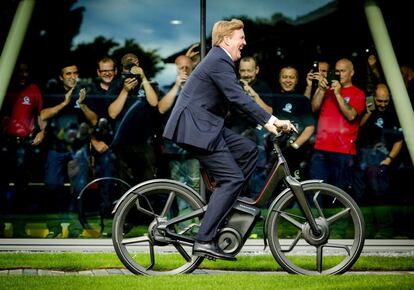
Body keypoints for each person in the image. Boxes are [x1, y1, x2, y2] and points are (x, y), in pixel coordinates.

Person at [163, 19, 296, 261]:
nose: (244, 42)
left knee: (248, 149)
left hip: (206, 126)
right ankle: (204, 240)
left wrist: (265, 122)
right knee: (232, 179)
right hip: (197, 129)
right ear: (226, 40)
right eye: (241, 37)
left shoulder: (220, 61)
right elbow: (237, 97)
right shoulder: (218, 60)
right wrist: (272, 121)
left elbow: (237, 102)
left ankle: (224, 204)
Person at [41, 62, 96, 213]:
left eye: (75, 73)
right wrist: (64, 103)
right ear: (61, 77)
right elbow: (43, 115)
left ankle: (76, 220)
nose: (72, 77)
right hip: (56, 148)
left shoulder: (85, 93)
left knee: (79, 187)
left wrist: (82, 104)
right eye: (68, 74)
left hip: (78, 149)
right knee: (52, 185)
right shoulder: (53, 93)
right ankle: (57, 219)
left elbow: (94, 120)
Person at [309, 58, 366, 195]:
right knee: (315, 192)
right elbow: (314, 108)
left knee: (340, 194)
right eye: (337, 71)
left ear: (351, 73)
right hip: (321, 148)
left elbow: (351, 116)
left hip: (343, 151)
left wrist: (338, 94)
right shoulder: (326, 90)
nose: (339, 74)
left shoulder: (358, 93)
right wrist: (322, 90)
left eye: (343, 71)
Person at [0, 62, 45, 213]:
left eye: (26, 71)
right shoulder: (4, 87)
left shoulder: (33, 89)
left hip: (22, 143)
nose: (23, 75)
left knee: (21, 181)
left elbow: (41, 114)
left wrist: (42, 132)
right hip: (4, 142)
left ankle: (19, 213)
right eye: (19, 71)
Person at [108, 53, 159, 186]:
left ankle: (145, 206)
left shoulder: (146, 81)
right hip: (122, 143)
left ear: (138, 62)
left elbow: (154, 103)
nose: (131, 64)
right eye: (127, 63)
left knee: (147, 183)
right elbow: (112, 113)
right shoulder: (116, 83)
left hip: (143, 142)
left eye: (134, 61)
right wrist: (125, 90)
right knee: (123, 182)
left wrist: (143, 77)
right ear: (122, 66)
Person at [225, 56, 273, 198]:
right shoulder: (233, 86)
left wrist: (253, 95)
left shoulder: (263, 87)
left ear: (256, 70)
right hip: (236, 134)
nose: (246, 74)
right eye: (243, 71)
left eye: (249, 71)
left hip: (258, 138)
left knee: (258, 172)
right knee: (235, 172)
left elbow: (269, 113)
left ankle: (257, 208)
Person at [354, 83, 403, 203]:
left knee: (378, 190)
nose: (383, 104)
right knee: (359, 190)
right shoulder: (366, 109)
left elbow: (399, 139)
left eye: (386, 101)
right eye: (380, 100)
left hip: (381, 156)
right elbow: (356, 129)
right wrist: (367, 113)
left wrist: (389, 159)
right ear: (373, 97)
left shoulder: (393, 113)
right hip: (362, 155)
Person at [158, 55, 200, 192]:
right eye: (181, 67)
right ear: (176, 69)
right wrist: (177, 85)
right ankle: (180, 214)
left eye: (187, 67)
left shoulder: (198, 87)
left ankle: (197, 213)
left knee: (195, 183)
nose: (185, 70)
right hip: (173, 147)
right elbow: (161, 108)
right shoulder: (167, 88)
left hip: (193, 146)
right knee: (176, 186)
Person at [270, 65, 315, 180]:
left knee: (295, 187)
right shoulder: (272, 97)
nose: (288, 80)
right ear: (279, 79)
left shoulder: (302, 99)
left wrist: (294, 146)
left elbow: (310, 127)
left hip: (295, 152)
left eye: (291, 77)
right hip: (274, 150)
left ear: (296, 80)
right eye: (285, 77)